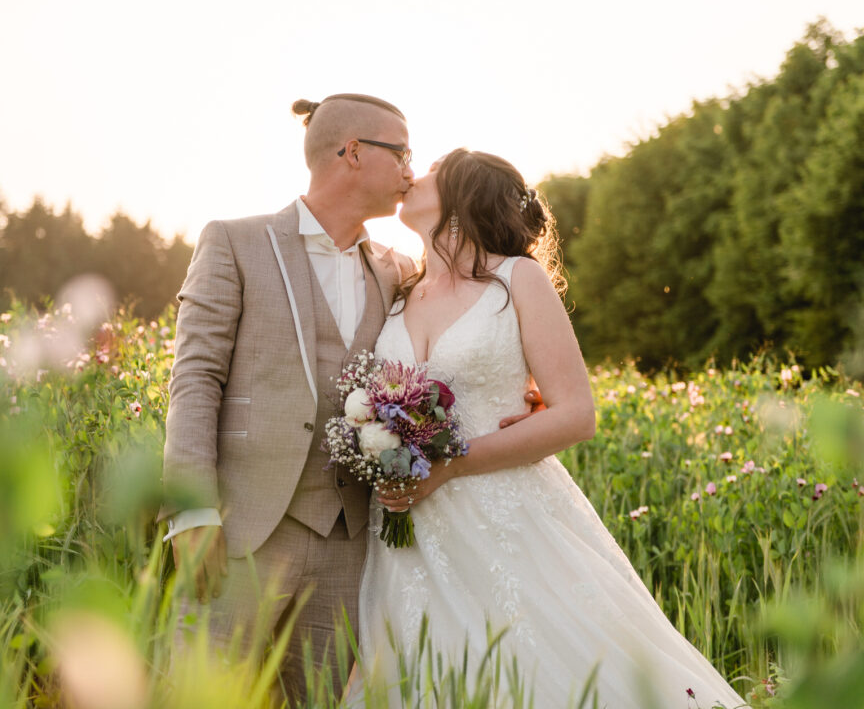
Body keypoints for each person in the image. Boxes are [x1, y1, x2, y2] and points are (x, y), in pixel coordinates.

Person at [158, 95, 540, 700]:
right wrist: (190, 510)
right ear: (354, 153)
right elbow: (195, 377)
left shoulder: (399, 270)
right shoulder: (234, 242)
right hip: (241, 532)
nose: (413, 172)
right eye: (403, 154)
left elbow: (454, 342)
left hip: (352, 543)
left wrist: (522, 400)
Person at [356, 149, 749, 708]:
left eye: (430, 173)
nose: (410, 179)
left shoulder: (516, 279)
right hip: (406, 531)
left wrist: (452, 465)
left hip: (502, 512)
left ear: (462, 199)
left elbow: (575, 414)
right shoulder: (395, 288)